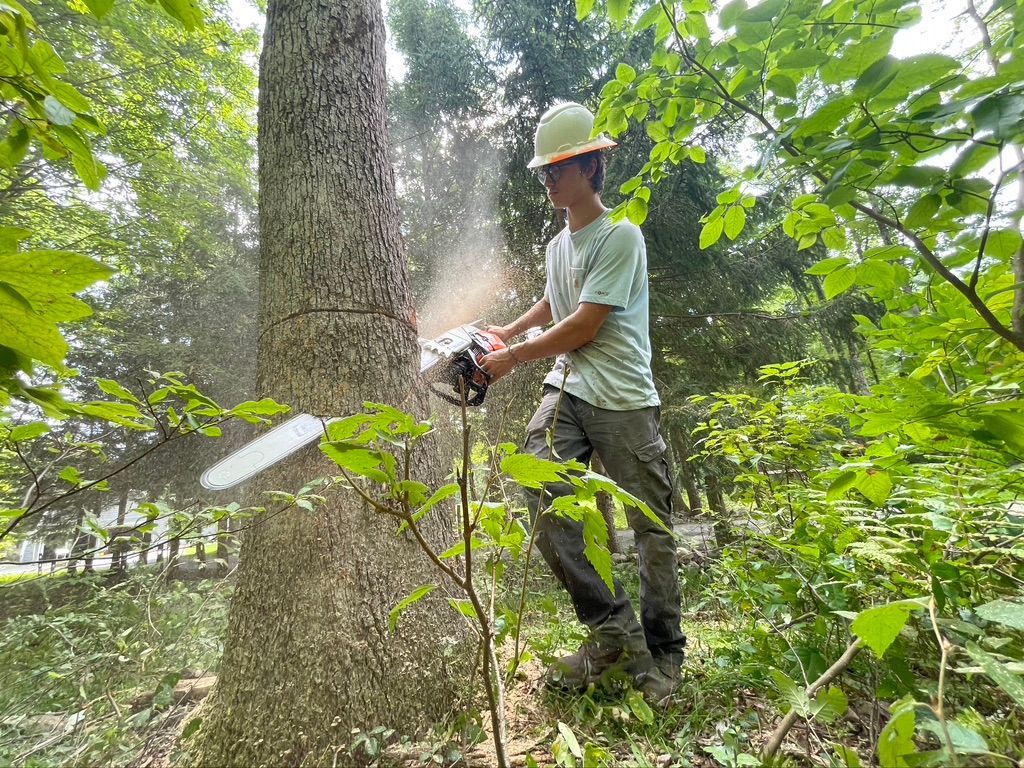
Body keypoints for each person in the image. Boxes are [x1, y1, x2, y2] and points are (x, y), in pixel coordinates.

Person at [480, 102, 685, 706]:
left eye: (560, 168)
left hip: (622, 398)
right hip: (568, 389)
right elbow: (553, 305)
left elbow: (586, 323)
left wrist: (514, 359)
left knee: (650, 529)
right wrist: (505, 333)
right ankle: (613, 634)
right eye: (543, 170)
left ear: (592, 166)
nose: (548, 179)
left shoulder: (621, 236)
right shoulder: (556, 244)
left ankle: (666, 655)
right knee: (541, 487)